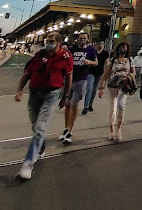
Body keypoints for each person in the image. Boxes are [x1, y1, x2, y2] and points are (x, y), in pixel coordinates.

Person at [15, 31, 73, 180]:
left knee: (40, 127)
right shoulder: (39, 55)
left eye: (51, 40)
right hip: (34, 93)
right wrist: (19, 90)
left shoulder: (65, 57)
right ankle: (40, 147)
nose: (48, 42)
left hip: (51, 94)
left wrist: (65, 97)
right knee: (35, 126)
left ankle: (28, 165)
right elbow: (27, 73)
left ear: (59, 43)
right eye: (47, 40)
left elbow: (68, 78)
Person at [60, 32, 97, 144]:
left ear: (87, 39)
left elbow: (96, 62)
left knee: (74, 104)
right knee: (67, 104)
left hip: (81, 80)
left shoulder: (91, 50)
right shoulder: (72, 49)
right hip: (69, 80)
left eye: (84, 38)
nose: (82, 40)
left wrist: (88, 62)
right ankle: (66, 128)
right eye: (80, 38)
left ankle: (70, 130)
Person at [98, 41, 135, 142]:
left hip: (124, 86)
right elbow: (106, 74)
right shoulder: (113, 60)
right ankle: (111, 130)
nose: (123, 49)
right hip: (113, 86)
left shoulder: (130, 60)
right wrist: (101, 88)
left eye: (125, 47)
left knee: (121, 106)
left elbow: (133, 72)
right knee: (112, 108)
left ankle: (119, 128)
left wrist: (127, 78)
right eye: (121, 47)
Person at [83, 41, 108, 115]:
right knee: (89, 88)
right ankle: (86, 106)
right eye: (99, 44)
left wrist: (108, 68)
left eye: (102, 44)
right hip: (91, 72)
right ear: (96, 44)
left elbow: (107, 62)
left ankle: (90, 104)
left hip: (99, 73)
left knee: (94, 89)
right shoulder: (93, 52)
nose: (100, 45)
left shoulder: (105, 53)